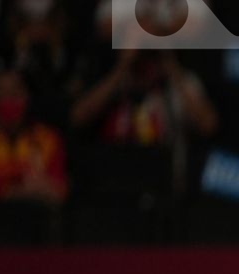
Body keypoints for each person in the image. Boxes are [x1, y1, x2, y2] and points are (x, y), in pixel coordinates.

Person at [71, 49, 218, 193]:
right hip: (113, 186)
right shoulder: (114, 81)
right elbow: (78, 118)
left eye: (151, 57)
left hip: (161, 188)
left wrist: (172, 67)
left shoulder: (178, 83)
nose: (147, 67)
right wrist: (122, 68)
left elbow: (208, 125)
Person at [0, 69, 67, 204]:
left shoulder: (47, 138)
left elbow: (59, 189)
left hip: (36, 220)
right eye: (0, 92)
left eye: (15, 93)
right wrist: (14, 191)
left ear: (28, 97)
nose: (8, 99)